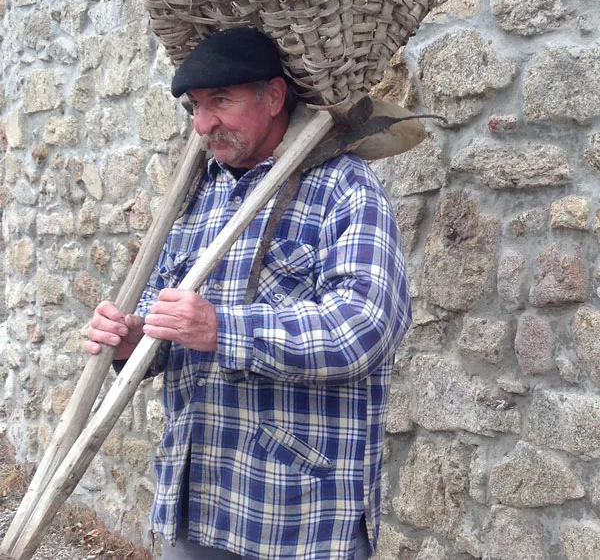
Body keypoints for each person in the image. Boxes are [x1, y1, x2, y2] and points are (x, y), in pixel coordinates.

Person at [86, 28, 411, 560]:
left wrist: (223, 328)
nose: (202, 123)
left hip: (296, 515)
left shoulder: (342, 187)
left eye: (221, 101)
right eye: (195, 106)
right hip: (197, 500)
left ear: (275, 96)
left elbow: (364, 327)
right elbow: (168, 322)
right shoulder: (197, 195)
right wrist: (134, 340)